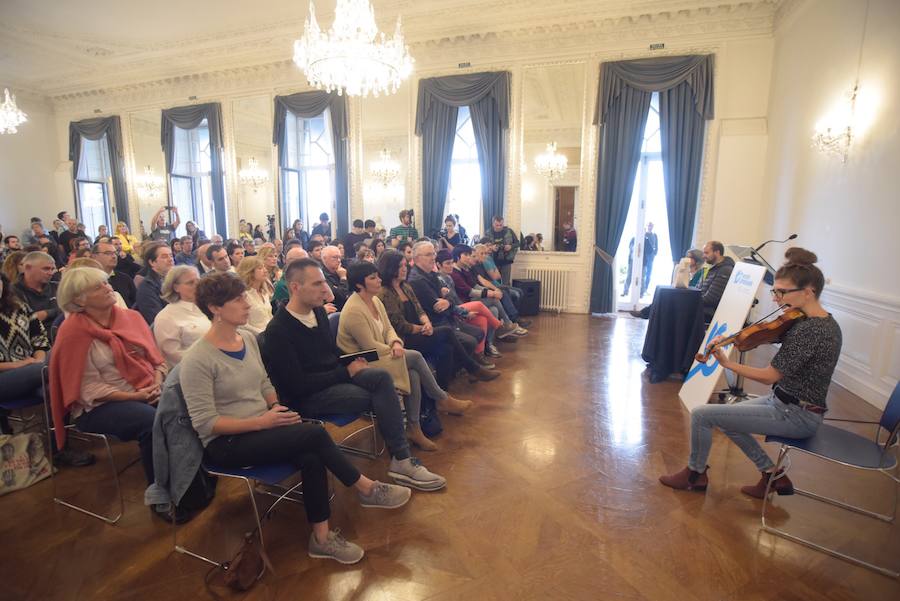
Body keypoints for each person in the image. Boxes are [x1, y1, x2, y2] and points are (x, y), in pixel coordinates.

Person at [181, 273, 410, 564]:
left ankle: (322, 538)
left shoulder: (247, 339)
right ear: (215, 308)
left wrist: (276, 408)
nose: (246, 304)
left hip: (262, 424)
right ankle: (366, 488)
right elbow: (205, 422)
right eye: (237, 299)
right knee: (312, 435)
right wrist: (262, 422)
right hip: (227, 441)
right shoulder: (198, 359)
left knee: (311, 456)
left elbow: (264, 382)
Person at [660, 248, 842, 498]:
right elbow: (772, 335)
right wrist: (735, 338)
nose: (776, 298)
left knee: (703, 415)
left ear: (809, 292)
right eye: (775, 291)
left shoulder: (811, 331)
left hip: (796, 414)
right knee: (726, 420)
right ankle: (772, 475)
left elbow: (769, 376)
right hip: (785, 403)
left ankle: (695, 474)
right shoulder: (820, 322)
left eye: (782, 292)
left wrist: (728, 364)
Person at [260, 258, 446, 491]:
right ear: (295, 288)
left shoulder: (317, 312)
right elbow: (297, 386)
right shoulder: (279, 330)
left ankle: (402, 457)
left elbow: (330, 353)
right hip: (311, 395)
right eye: (317, 284)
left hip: (334, 378)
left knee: (383, 378)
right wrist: (346, 370)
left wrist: (352, 361)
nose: (325, 289)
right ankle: (402, 458)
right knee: (384, 392)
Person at [49, 267, 176, 521]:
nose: (108, 288)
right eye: (98, 287)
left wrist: (157, 382)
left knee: (184, 406)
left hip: (145, 388)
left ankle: (190, 477)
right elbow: (88, 390)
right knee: (151, 422)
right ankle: (161, 493)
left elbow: (156, 360)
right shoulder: (73, 331)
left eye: (106, 283)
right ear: (78, 300)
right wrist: (136, 396)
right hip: (99, 405)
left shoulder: (130, 318)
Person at [339, 263, 473, 451]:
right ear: (359, 285)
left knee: (414, 374)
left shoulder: (375, 300)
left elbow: (388, 329)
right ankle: (441, 398)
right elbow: (369, 346)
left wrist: (395, 343)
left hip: (382, 353)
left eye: (378, 276)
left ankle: (414, 428)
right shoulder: (354, 309)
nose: (379, 280)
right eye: (372, 278)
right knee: (416, 356)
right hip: (364, 361)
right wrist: (394, 348)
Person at [377, 250, 498, 389]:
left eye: (405, 265)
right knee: (447, 332)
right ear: (391, 268)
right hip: (404, 337)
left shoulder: (405, 286)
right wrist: (423, 328)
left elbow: (419, 309)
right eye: (400, 266)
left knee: (446, 349)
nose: (405, 269)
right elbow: (399, 324)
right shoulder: (385, 292)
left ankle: (442, 392)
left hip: (420, 330)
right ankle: (473, 368)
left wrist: (426, 323)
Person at [408, 242, 501, 367]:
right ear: (417, 258)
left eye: (433, 253)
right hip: (439, 322)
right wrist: (454, 306)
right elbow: (437, 307)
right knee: (472, 335)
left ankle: (478, 356)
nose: (433, 257)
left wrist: (447, 302)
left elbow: (450, 297)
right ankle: (471, 366)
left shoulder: (432, 274)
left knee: (486, 319)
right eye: (428, 254)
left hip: (450, 315)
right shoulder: (418, 280)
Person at [436, 249, 509, 359]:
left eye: (451, 262)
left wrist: (491, 291)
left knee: (489, 314)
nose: (451, 265)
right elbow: (464, 294)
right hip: (456, 311)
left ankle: (481, 353)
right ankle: (501, 326)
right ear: (438, 265)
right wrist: (465, 312)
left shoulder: (450, 277)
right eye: (447, 263)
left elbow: (460, 295)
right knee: (487, 302)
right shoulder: (439, 279)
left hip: (461, 306)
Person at [0, 273, 49, 431]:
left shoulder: (19, 307)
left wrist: (39, 359)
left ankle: (57, 445)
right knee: (51, 371)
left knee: (50, 389)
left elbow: (39, 337)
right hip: (6, 377)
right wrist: (22, 364)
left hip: (32, 370)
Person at [152, 265, 208, 367]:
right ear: (176, 287)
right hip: (193, 368)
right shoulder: (166, 317)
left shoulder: (210, 306)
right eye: (190, 283)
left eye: (198, 281)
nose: (197, 285)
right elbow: (173, 355)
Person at [630, 248, 705, 319]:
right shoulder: (684, 269)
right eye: (686, 257)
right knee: (662, 294)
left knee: (665, 296)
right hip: (682, 294)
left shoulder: (700, 273)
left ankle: (645, 313)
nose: (686, 259)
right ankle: (646, 313)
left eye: (690, 257)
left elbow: (693, 287)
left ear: (697, 260)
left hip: (688, 297)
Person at [15, 251, 60, 332]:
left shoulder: (58, 287)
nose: (51, 273)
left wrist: (47, 313)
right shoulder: (11, 292)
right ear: (28, 267)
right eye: (46, 268)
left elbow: (74, 309)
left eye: (52, 269)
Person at [134, 242, 174, 325]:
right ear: (152, 262)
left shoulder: (175, 280)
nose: (170, 259)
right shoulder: (147, 287)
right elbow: (156, 319)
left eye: (171, 255)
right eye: (164, 257)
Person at [699, 240, 735, 321]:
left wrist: (691, 300)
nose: (703, 256)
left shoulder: (726, 270)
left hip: (709, 314)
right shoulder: (712, 268)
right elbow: (698, 289)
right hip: (702, 309)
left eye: (706, 253)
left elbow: (711, 299)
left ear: (717, 252)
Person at [236, 257, 274, 334]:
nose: (265, 270)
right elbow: (243, 325)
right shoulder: (243, 295)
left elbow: (269, 317)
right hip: (256, 337)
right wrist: (263, 334)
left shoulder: (264, 292)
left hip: (270, 334)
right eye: (260, 268)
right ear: (249, 272)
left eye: (264, 267)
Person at [93, 241, 136, 307]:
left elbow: (136, 303)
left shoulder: (125, 278)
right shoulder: (90, 280)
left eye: (115, 253)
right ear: (94, 256)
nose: (114, 256)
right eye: (108, 253)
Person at [486, 216, 518, 285]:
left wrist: (510, 246)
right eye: (497, 225)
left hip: (506, 261)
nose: (499, 227)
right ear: (493, 224)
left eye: (501, 225)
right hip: (493, 261)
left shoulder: (509, 231)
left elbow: (517, 243)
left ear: (503, 223)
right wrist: (491, 247)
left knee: (506, 283)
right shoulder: (488, 233)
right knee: (494, 283)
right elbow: (484, 246)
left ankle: (506, 295)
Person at [320, 246, 349, 311]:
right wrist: (343, 278)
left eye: (340, 257)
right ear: (324, 258)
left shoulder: (342, 271)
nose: (338, 260)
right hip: (335, 310)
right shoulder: (321, 276)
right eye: (334, 257)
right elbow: (341, 297)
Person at [641, 222, 658, 297]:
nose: (650, 227)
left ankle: (645, 289)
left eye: (651, 225)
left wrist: (654, 253)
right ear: (647, 226)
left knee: (649, 274)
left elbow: (656, 245)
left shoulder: (654, 235)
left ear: (653, 227)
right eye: (649, 225)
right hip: (644, 256)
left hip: (651, 257)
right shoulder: (644, 234)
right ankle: (641, 289)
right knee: (643, 273)